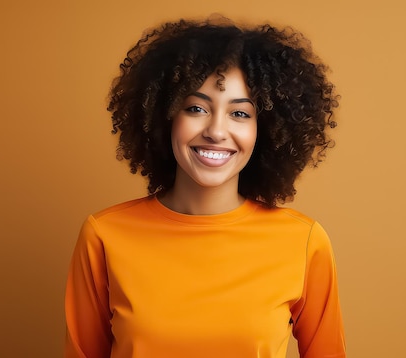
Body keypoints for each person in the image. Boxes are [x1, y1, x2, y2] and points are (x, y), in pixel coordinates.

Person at [65, 16, 345, 358]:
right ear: (165, 116)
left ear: (266, 129)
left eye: (240, 114)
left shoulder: (303, 242)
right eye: (196, 108)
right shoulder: (105, 236)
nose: (216, 130)